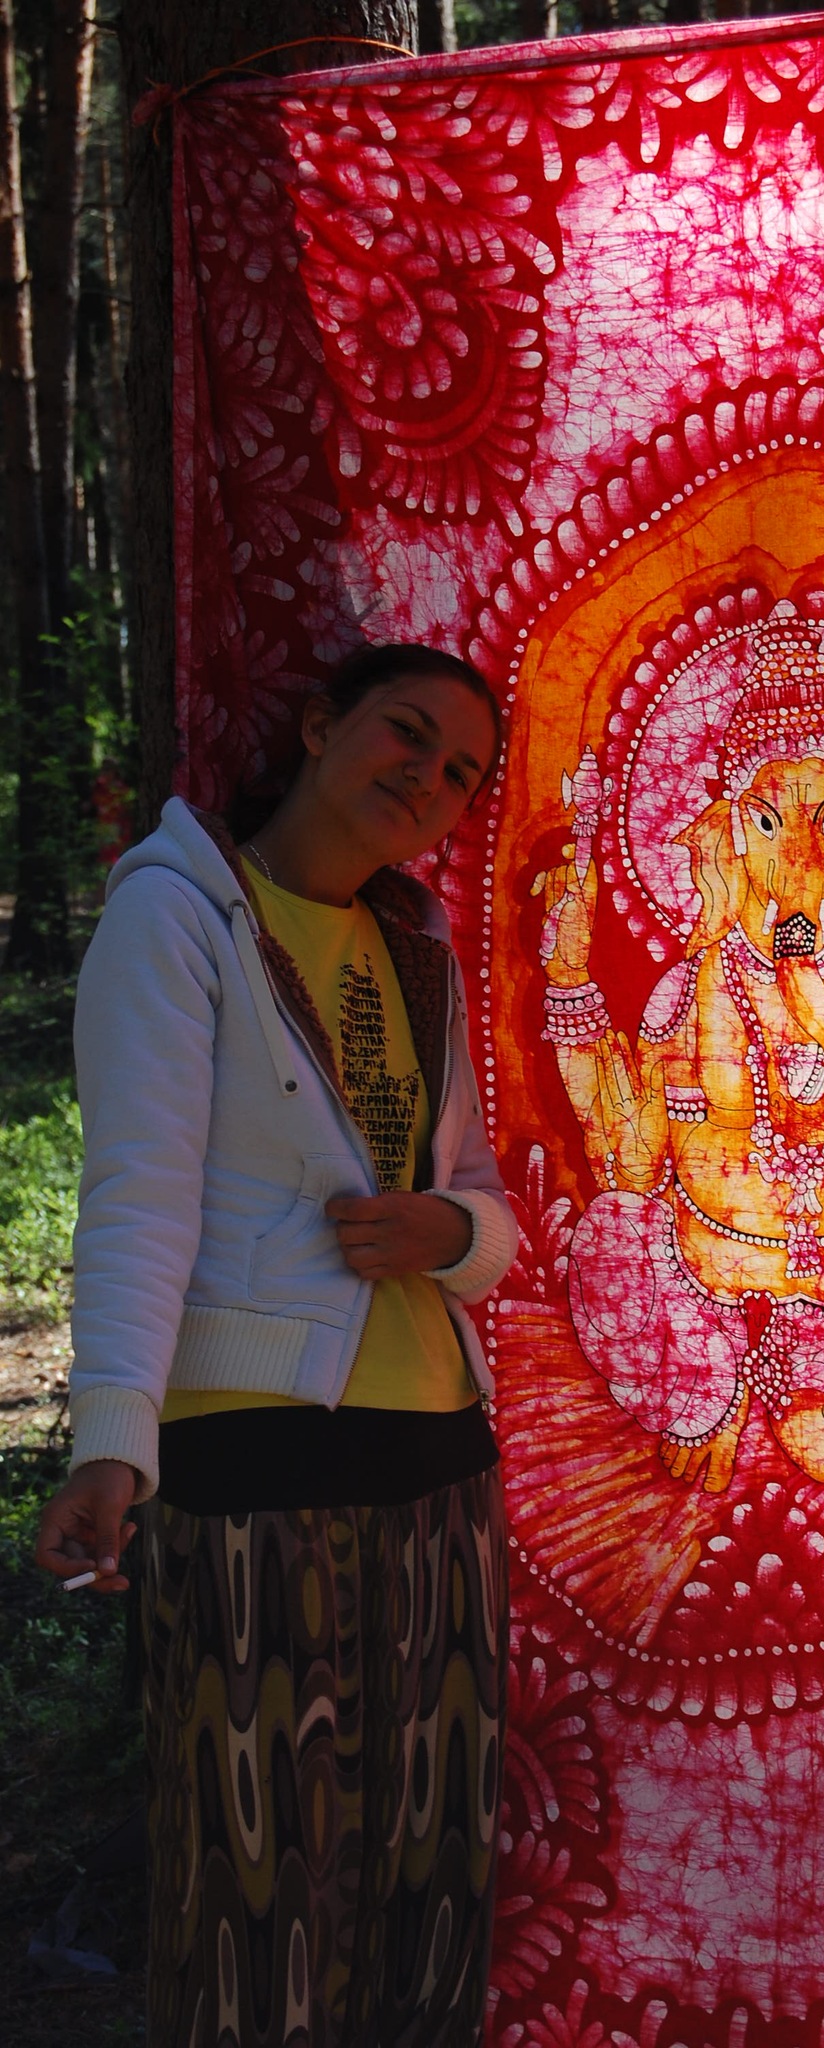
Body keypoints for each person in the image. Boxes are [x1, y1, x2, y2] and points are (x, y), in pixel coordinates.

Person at [35, 643, 519, 2048]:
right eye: (405, 734)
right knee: (255, 1899)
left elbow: (485, 1204)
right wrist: (112, 1442)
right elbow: (137, 1194)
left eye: (458, 774)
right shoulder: (177, 914)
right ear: (318, 726)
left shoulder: (417, 955)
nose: (425, 779)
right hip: (252, 1465)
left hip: (443, 1461)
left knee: (431, 1887)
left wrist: (448, 1233)